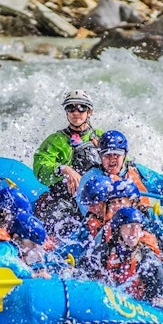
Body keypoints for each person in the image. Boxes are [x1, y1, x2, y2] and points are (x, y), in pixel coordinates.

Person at [76, 130, 163, 271]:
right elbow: (86, 206)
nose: (112, 159)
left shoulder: (136, 171)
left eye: (117, 155)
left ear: (124, 155)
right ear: (100, 156)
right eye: (107, 155)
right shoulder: (92, 178)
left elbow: (161, 186)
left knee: (160, 224)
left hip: (135, 222)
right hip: (106, 222)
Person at [33, 90, 104, 239]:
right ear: (66, 112)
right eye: (71, 108)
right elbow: (40, 169)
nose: (76, 112)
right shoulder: (55, 140)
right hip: (65, 200)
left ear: (89, 112)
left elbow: (123, 163)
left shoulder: (101, 137)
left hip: (98, 200)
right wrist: (63, 169)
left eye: (81, 108)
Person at [88, 207, 163, 308]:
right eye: (129, 226)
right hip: (113, 296)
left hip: (141, 302)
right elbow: (83, 271)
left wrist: (160, 298)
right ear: (118, 230)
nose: (134, 231)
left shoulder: (147, 259)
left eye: (137, 227)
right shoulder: (104, 252)